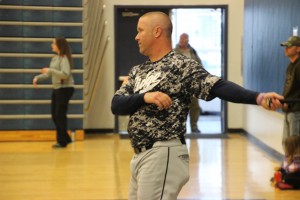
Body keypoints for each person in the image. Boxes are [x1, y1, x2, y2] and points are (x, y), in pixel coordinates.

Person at [111, 11, 284, 200]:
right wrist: (145, 97)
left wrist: (258, 98)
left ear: (157, 32)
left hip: (162, 153)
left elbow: (218, 86)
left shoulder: (181, 66)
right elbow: (117, 105)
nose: (136, 36)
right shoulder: (138, 71)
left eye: (140, 31)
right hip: (138, 156)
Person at [33, 36, 75, 148]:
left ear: (59, 45)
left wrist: (50, 70)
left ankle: (62, 141)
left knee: (59, 114)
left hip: (65, 88)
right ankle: (66, 138)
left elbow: (65, 74)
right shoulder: (55, 58)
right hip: (57, 88)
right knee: (54, 115)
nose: (52, 45)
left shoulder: (64, 58)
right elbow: (49, 74)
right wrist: (38, 78)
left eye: (53, 43)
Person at [174, 33, 202, 133]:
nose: (184, 41)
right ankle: (180, 128)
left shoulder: (192, 51)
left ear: (188, 40)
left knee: (195, 106)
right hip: (180, 85)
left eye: (186, 39)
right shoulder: (174, 52)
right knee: (180, 107)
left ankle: (194, 126)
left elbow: (199, 64)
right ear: (179, 39)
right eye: (182, 39)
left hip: (193, 83)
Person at [280, 36, 300, 144]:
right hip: (288, 109)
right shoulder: (290, 66)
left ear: (298, 49)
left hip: (297, 111)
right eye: (285, 47)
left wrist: (291, 103)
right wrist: (284, 101)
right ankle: (289, 160)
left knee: (295, 142)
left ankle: (295, 161)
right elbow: (288, 87)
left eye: (289, 46)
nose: (286, 49)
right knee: (286, 142)